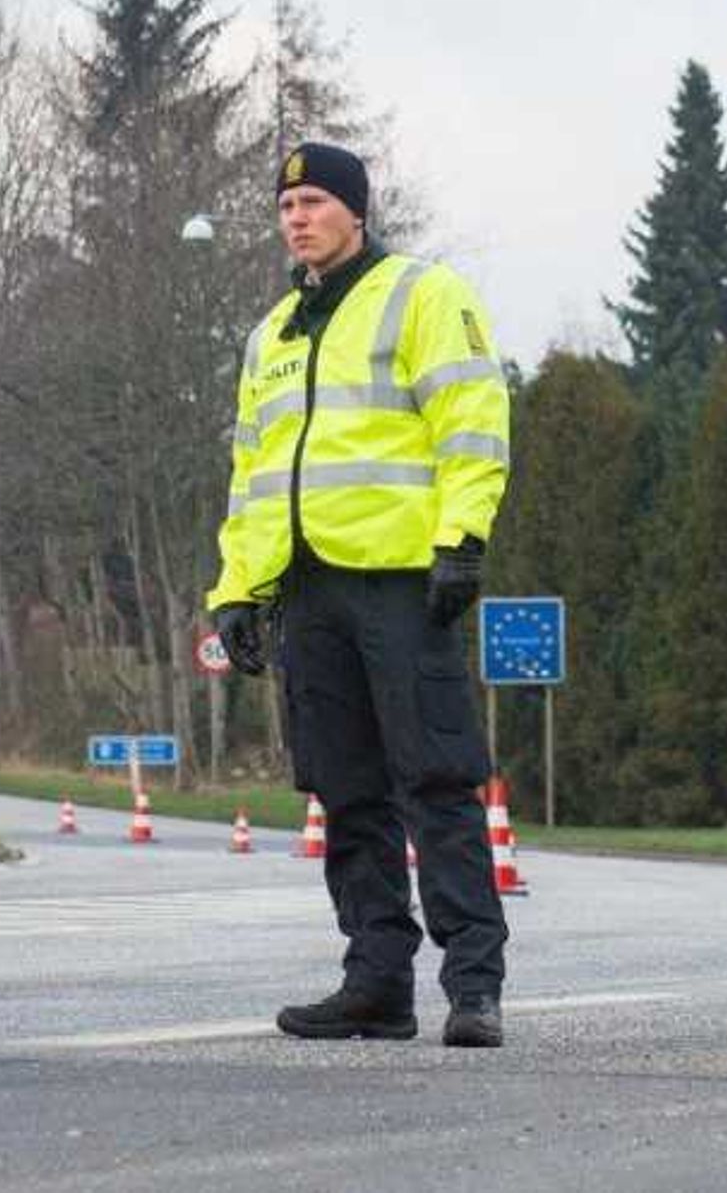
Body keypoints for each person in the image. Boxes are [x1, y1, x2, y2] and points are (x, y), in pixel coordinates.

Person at [208, 140, 512, 1049]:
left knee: (436, 779)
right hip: (309, 592)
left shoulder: (421, 295)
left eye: (313, 201)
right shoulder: (272, 335)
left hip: (401, 583)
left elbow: (471, 419)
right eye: (285, 204)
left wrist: (463, 538)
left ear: (356, 210)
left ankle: (474, 984)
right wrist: (238, 592)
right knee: (344, 792)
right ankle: (376, 981)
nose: (296, 217)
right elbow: (254, 476)